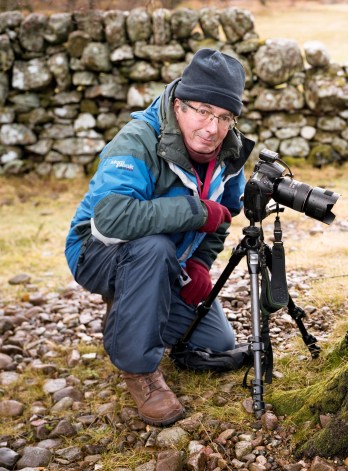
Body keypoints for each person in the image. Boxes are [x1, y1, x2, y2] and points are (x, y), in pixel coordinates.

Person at [65, 48, 254, 427]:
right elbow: (110, 219)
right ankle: (140, 372)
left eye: (223, 117)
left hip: (170, 261)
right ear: (179, 105)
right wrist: (194, 211)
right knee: (152, 248)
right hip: (97, 251)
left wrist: (200, 263)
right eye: (201, 110)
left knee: (214, 344)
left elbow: (225, 214)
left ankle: (131, 312)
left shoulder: (230, 153)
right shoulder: (137, 140)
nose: (211, 128)